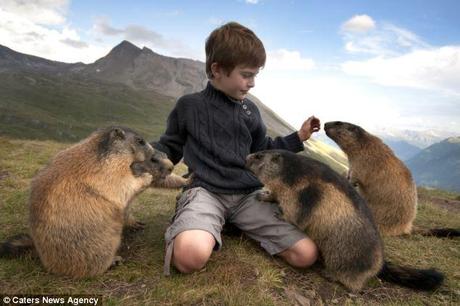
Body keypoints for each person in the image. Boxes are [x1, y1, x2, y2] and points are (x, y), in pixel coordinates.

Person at [153, 21, 321, 275]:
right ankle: (198, 220)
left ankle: (233, 223)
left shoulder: (250, 110)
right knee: (189, 257)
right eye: (246, 74)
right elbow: (169, 147)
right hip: (205, 192)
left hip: (248, 196)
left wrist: (299, 137)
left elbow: (263, 150)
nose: (252, 83)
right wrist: (140, 156)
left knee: (306, 255)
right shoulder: (188, 106)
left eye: (255, 75)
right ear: (217, 69)